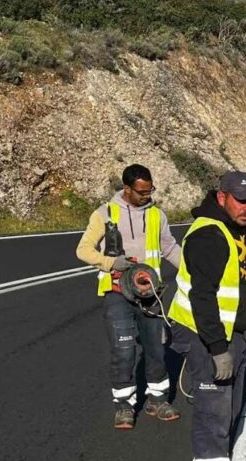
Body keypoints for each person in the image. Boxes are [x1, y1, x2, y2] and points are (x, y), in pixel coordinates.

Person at [76, 164, 182, 429]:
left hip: (150, 295)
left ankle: (157, 399)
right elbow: (83, 250)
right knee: (123, 350)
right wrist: (111, 263)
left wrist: (194, 272)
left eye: (150, 191)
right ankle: (124, 406)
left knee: (156, 348)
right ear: (127, 188)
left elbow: (170, 248)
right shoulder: (105, 214)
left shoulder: (157, 215)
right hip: (117, 294)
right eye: (142, 192)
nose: (147, 196)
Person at [168, 171, 246, 460]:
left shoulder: (236, 226)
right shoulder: (210, 234)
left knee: (229, 412)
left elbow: (241, 282)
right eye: (241, 200)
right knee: (213, 419)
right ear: (222, 197)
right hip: (209, 337)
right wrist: (218, 349)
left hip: (234, 333)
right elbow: (202, 297)